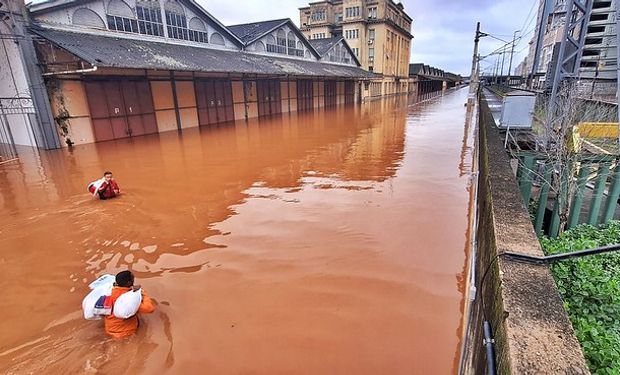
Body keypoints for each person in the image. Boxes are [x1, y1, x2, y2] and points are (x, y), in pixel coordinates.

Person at [104, 270, 155, 338]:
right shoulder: (130, 299)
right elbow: (150, 309)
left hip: (108, 329)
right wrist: (143, 294)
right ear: (129, 282)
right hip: (126, 333)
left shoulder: (108, 292)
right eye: (133, 279)